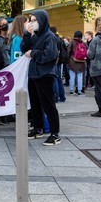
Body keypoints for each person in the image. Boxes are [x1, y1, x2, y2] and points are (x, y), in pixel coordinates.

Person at [21, 9, 61, 146]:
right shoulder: (35, 36)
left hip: (45, 74)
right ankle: (38, 128)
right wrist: (27, 34)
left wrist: (33, 53)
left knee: (48, 104)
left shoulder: (50, 37)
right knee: (36, 104)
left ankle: (55, 134)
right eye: (31, 21)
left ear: (42, 20)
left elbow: (49, 55)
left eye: (34, 20)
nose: (32, 23)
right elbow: (23, 48)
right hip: (34, 74)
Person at [50, 26, 67, 103]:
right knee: (59, 78)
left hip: (54, 61)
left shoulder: (52, 38)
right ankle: (62, 96)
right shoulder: (59, 39)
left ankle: (56, 97)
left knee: (54, 79)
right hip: (60, 61)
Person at [67, 31, 86, 96]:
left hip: (72, 61)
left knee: (72, 77)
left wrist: (68, 60)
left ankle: (71, 91)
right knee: (80, 77)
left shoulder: (72, 42)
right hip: (81, 62)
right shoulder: (83, 43)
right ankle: (79, 91)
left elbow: (68, 51)